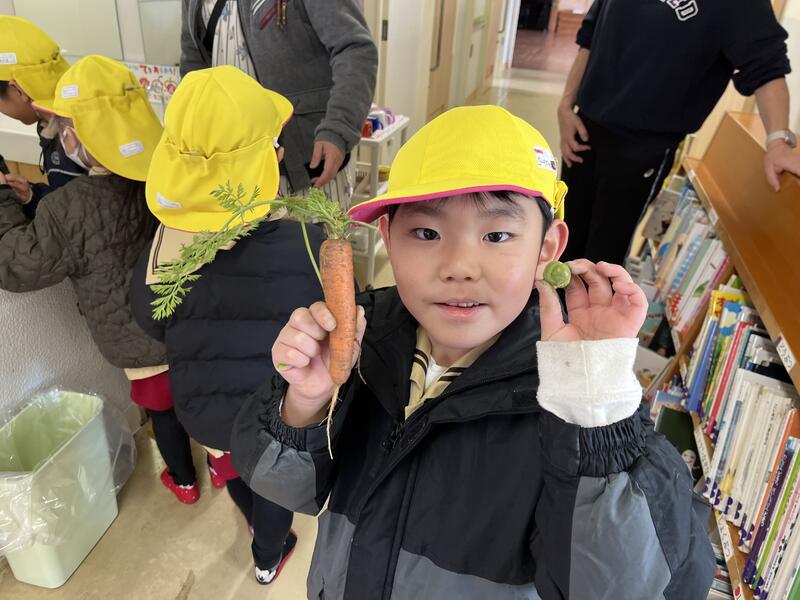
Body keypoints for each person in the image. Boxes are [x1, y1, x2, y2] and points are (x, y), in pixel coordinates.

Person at [229, 105, 716, 599]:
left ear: (547, 249)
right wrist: (306, 404)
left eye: (497, 235)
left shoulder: (575, 398)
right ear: (388, 240)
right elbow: (284, 488)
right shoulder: (362, 340)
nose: (460, 266)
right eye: (426, 233)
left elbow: (628, 588)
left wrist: (595, 411)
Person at [130, 65, 325, 585]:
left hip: (206, 408)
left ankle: (254, 527)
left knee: (234, 463)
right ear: (272, 159)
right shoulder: (308, 245)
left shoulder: (162, 248)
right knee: (272, 484)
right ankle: (268, 555)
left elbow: (150, 318)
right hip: (279, 411)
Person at [0, 55, 200, 505]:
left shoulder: (67, 207)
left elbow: (18, 264)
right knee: (199, 397)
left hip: (134, 342)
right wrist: (36, 195)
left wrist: (7, 203)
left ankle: (185, 483)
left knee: (162, 412)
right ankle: (224, 468)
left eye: (64, 128)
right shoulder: (165, 175)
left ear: (75, 137)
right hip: (186, 323)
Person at [559, 0, 799, 266]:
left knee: (601, 260)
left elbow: (768, 70)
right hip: (583, 128)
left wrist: (777, 141)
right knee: (562, 240)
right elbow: (589, 36)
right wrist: (566, 106)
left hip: (642, 148)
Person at [179, 0, 377, 203]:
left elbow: (354, 50)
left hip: (305, 162)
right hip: (231, 166)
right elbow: (193, 65)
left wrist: (339, 129)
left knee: (316, 223)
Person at [0, 16, 87, 217]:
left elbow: (81, 223)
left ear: (18, 90)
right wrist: (32, 196)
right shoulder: (51, 124)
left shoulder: (74, 140)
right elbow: (68, 205)